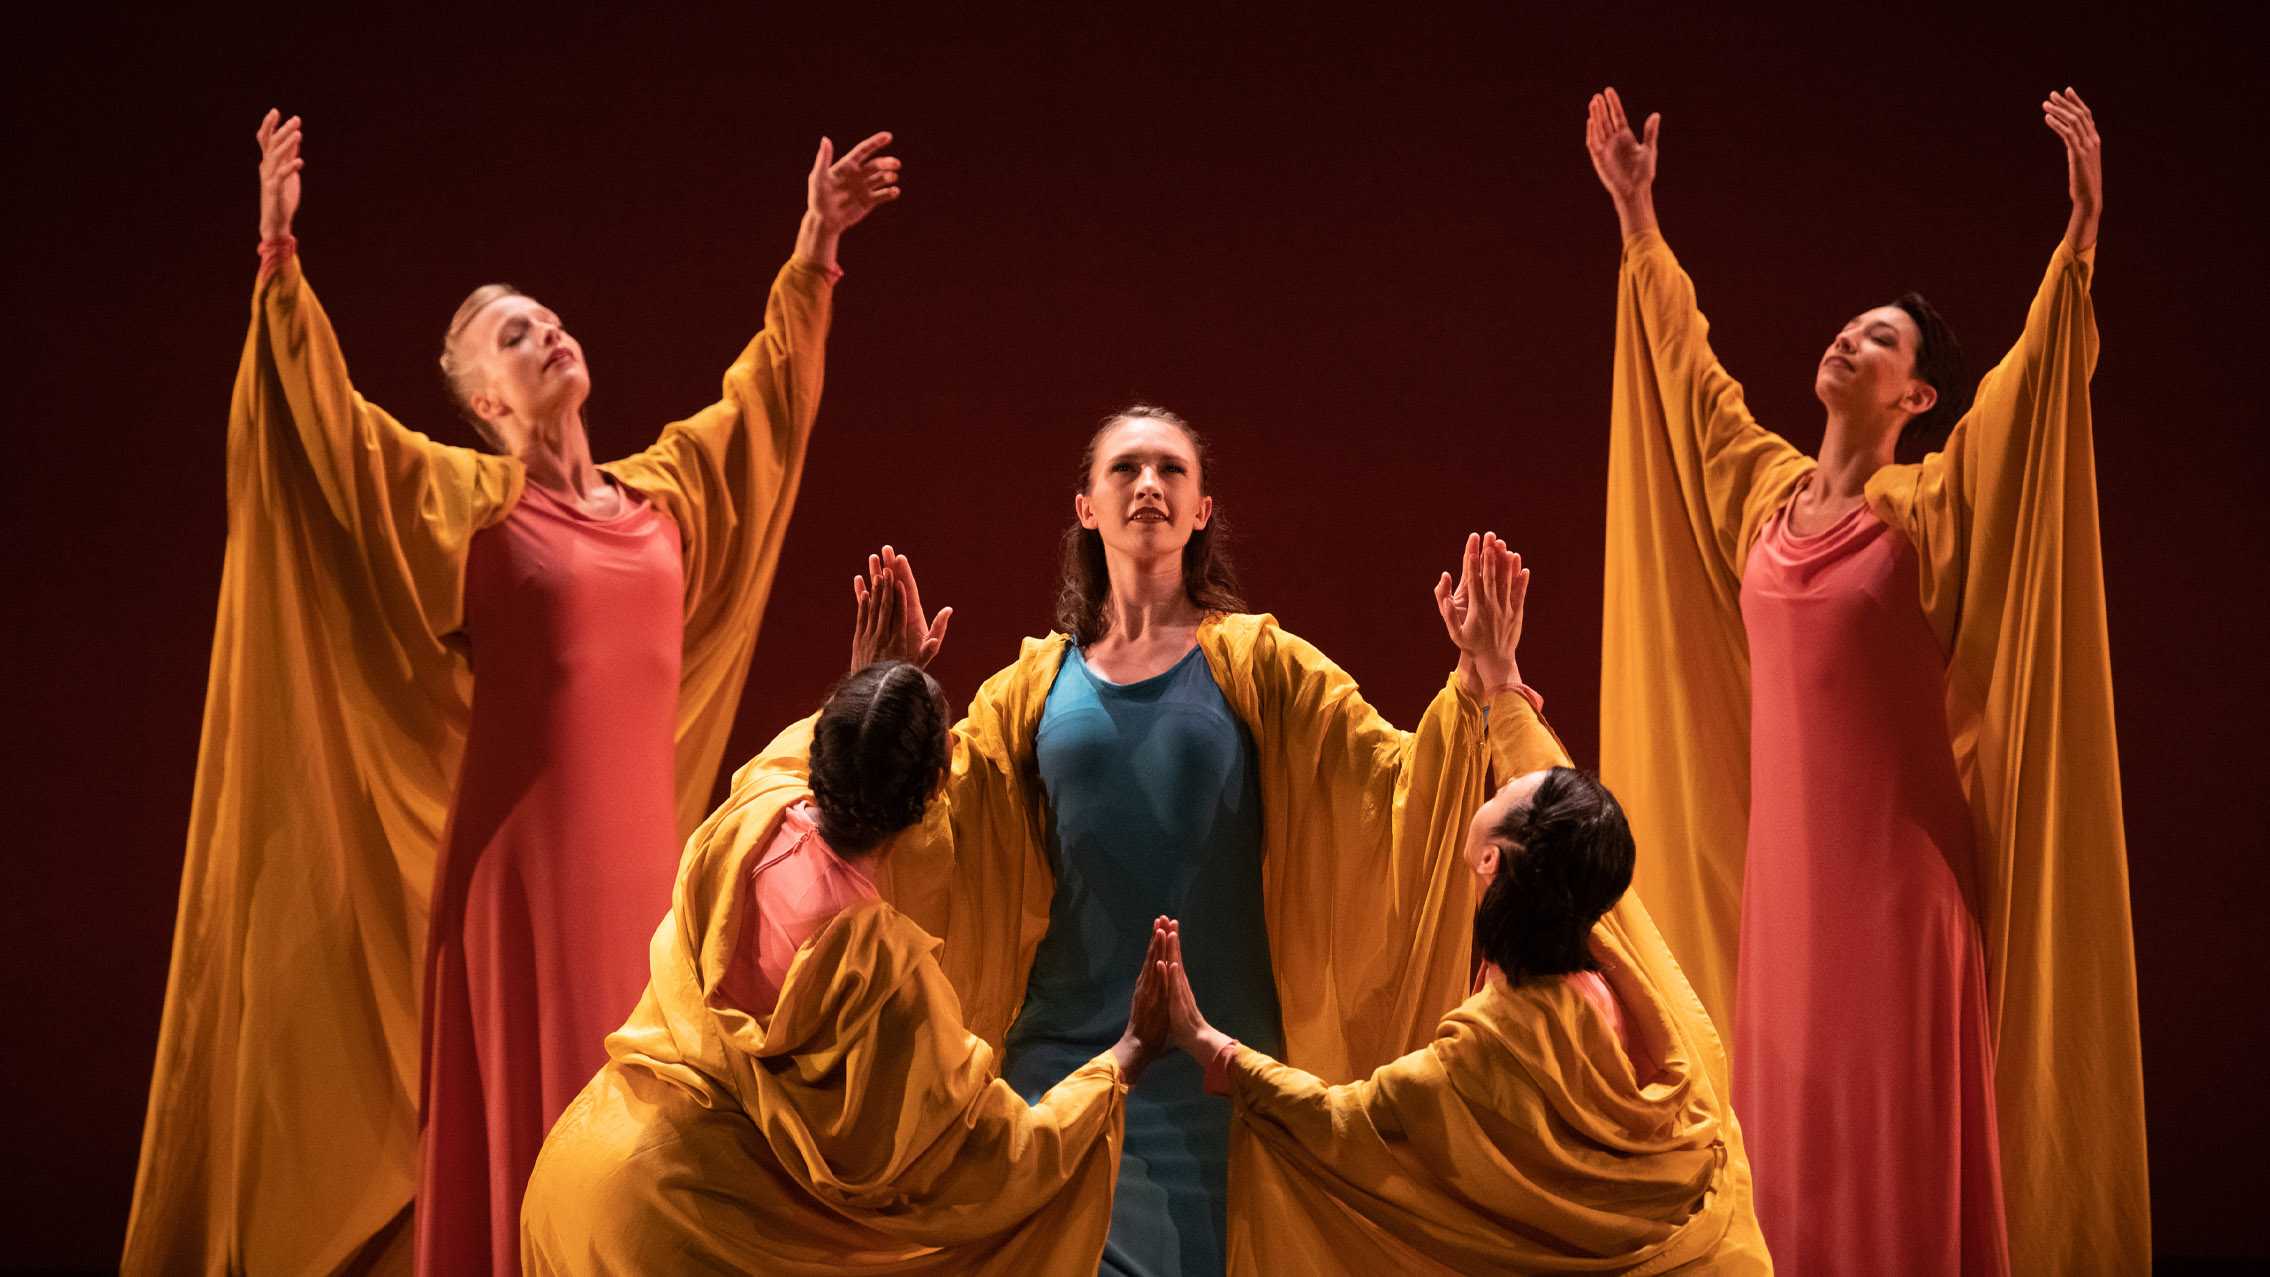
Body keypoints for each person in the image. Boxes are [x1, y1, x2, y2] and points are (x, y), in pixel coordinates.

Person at [124, 110, 901, 1276]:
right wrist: (279, 261)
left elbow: (763, 411)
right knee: (534, 1156)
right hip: (515, 889)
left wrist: (814, 246)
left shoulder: (662, 497)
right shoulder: (471, 508)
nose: (546, 333)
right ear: (486, 401)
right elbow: (332, 442)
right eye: (513, 335)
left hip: (641, 879)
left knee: (639, 1152)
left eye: (547, 319)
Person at [1586, 86, 2145, 1274]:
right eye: (1850, 325)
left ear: (1914, 396)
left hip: (1900, 905)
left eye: (1880, 339)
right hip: (1787, 911)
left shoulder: (1921, 512)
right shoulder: (1761, 495)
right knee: (1786, 1168)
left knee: (1893, 1174)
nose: (1850, 337)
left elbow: (2027, 396)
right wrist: (1637, 217)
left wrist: (2077, 244)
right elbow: (1691, 385)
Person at [852, 411, 1538, 1276]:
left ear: (1203, 507)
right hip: (1069, 1070)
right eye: (1126, 468)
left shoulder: (1265, 664)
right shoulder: (1026, 692)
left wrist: (1480, 680)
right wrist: (877, 699)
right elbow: (929, 839)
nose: (1149, 484)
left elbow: (1394, 792)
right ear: (1087, 508)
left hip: (1219, 1077)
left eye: (1171, 469)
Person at [522, 656, 1175, 1274]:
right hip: (679, 1230)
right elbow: (992, 1156)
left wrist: (870, 676)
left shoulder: (747, 816)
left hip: (573, 1173)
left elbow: (801, 751)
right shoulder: (882, 974)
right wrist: (1127, 1056)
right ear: (937, 784)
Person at [1154, 756, 1772, 1274]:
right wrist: (1500, 679)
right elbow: (1578, 830)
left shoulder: (1484, 1048)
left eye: (1504, 789)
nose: (1499, 784)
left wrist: (1203, 1038)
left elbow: (1340, 1124)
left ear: (1491, 862)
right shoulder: (1622, 984)